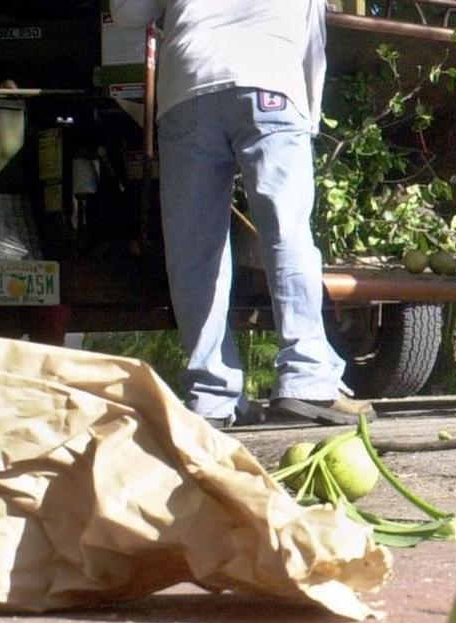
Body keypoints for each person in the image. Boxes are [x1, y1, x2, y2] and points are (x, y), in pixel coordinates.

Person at [110, 0, 373, 427]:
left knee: (194, 252)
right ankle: (306, 378)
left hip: (187, 85)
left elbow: (125, 13)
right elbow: (313, 41)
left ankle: (211, 397)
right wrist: (307, 118)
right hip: (270, 77)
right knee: (285, 232)